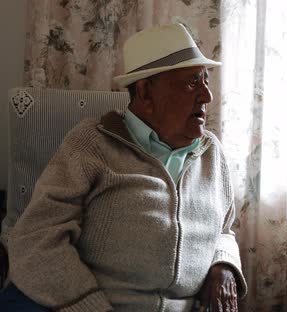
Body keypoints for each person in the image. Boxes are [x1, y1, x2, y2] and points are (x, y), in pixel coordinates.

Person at [0, 23, 246, 312]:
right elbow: (36, 238)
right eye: (192, 82)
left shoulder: (211, 152)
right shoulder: (92, 144)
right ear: (145, 92)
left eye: (206, 80)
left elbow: (224, 230)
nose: (207, 96)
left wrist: (224, 264)